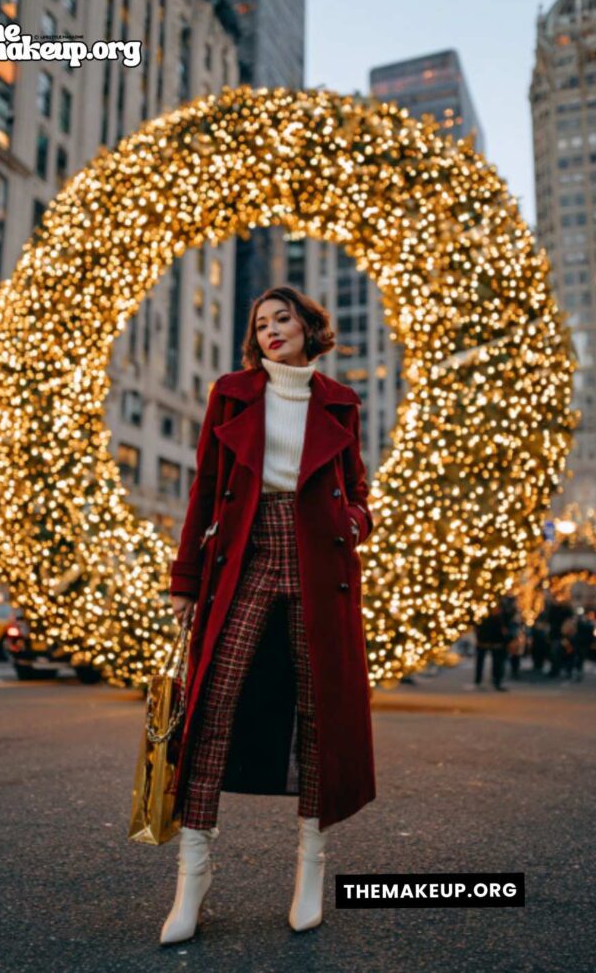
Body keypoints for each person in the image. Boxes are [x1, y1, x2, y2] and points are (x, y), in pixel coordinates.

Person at [160, 285, 375, 944]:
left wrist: (353, 520)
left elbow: (358, 488)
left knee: (317, 714)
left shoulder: (339, 401)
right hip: (245, 554)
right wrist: (184, 577)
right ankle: (191, 878)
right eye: (260, 323)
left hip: (319, 557)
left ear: (310, 328)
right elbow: (204, 485)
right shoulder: (231, 393)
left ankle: (310, 868)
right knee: (211, 707)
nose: (271, 329)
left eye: (283, 318)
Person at [474, 599, 510, 691]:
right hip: (484, 639)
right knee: (481, 660)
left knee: (497, 662)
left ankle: (496, 681)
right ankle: (479, 681)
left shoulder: (501, 616)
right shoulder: (484, 613)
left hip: (496, 640)